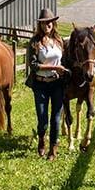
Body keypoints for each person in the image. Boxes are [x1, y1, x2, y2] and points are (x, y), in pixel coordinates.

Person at [27, 8, 69, 160]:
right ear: (40, 25)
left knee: (56, 117)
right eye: (44, 23)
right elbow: (33, 65)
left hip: (57, 83)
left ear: (53, 23)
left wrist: (62, 70)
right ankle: (41, 139)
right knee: (43, 118)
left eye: (49, 22)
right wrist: (54, 67)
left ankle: (53, 149)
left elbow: (64, 61)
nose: (47, 26)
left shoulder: (59, 41)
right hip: (41, 84)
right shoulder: (34, 42)